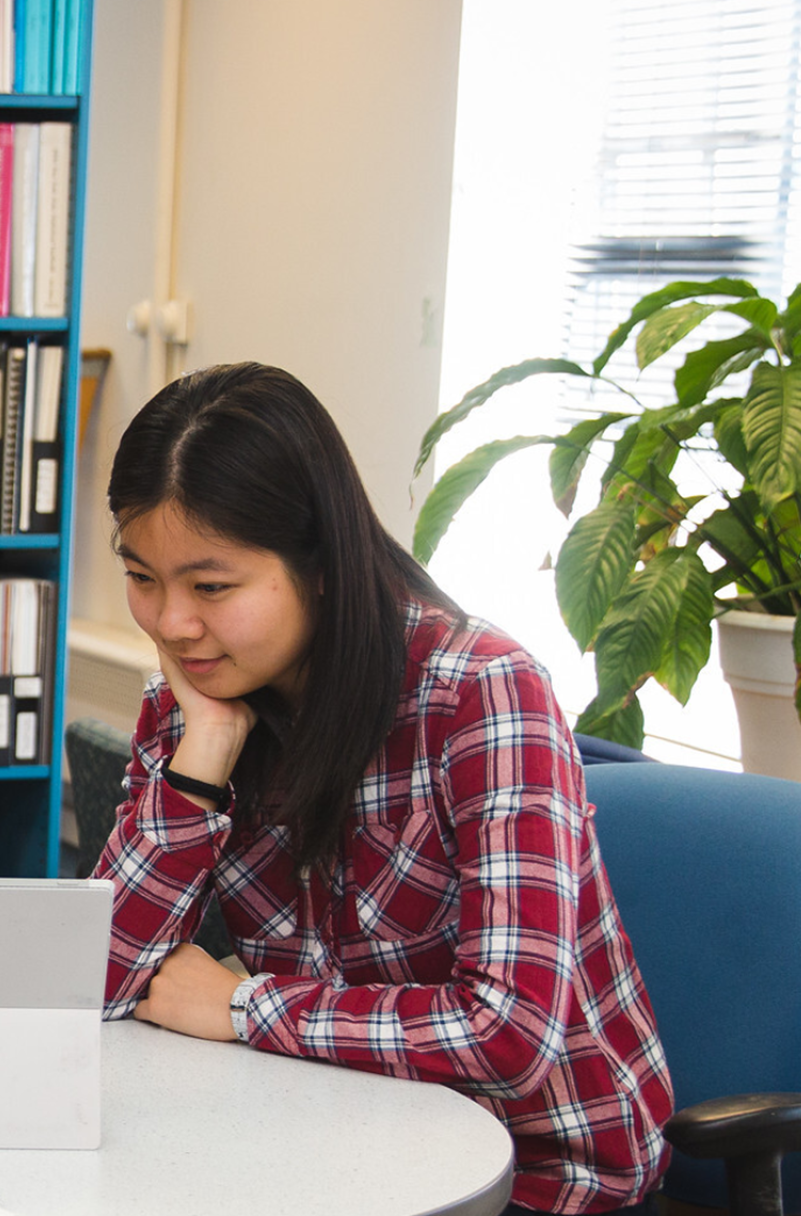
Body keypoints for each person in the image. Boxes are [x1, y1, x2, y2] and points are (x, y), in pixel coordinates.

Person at [96, 363, 671, 1216]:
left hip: (541, 1176)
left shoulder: (482, 692)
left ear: (320, 564)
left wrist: (247, 1007)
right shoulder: (191, 706)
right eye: (143, 578)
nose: (172, 624)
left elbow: (511, 1033)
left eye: (211, 586)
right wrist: (203, 755)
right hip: (335, 1143)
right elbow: (101, 984)